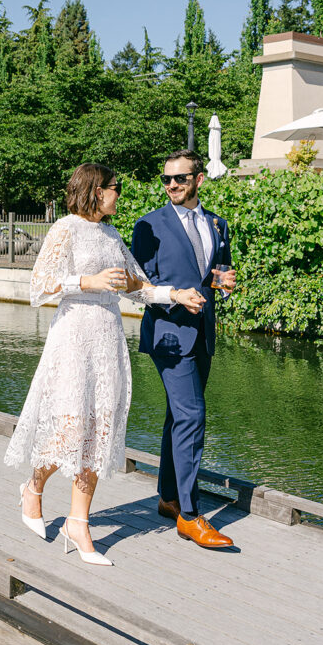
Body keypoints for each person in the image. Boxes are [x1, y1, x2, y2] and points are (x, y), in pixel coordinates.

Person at [5, 163, 204, 567]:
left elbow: (138, 286)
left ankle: (78, 522)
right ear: (97, 190)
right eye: (116, 187)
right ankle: (34, 487)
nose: (119, 194)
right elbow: (39, 287)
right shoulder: (66, 228)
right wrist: (89, 282)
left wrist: (176, 294)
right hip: (74, 336)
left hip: (108, 338)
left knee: (99, 427)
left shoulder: (112, 234)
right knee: (71, 425)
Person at [131, 149, 236, 550]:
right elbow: (137, 286)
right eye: (166, 179)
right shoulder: (149, 225)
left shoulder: (217, 223)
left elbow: (216, 269)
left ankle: (168, 498)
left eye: (179, 179)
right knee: (192, 416)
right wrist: (176, 297)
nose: (171, 185)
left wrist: (222, 280)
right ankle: (190, 516)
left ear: (198, 180)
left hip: (203, 333)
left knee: (180, 416)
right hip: (169, 335)